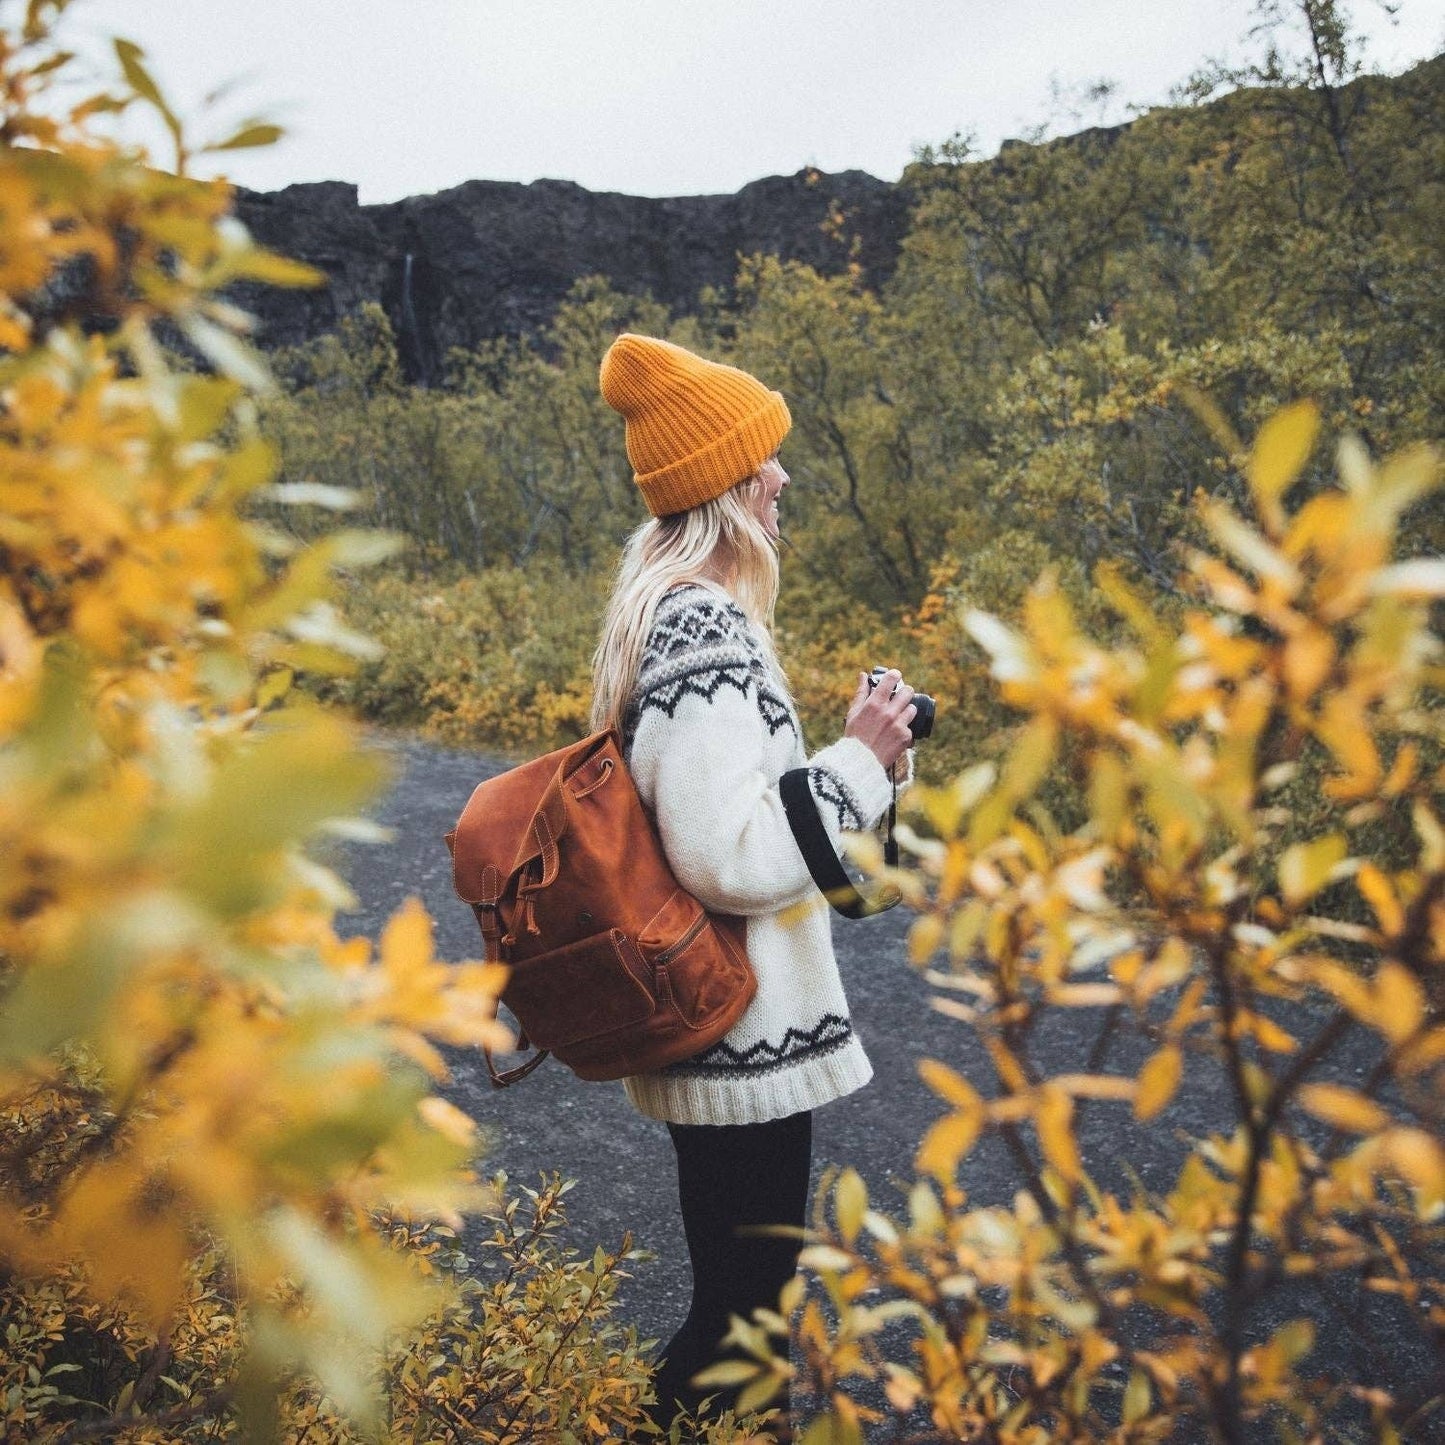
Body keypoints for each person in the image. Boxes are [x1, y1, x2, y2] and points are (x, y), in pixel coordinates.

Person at [591, 333, 917, 1432]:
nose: (781, 476)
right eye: (763, 460)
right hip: (736, 1032)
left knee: (743, 1317)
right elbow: (729, 855)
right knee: (741, 1327)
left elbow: (759, 830)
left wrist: (866, 759)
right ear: (723, 484)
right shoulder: (700, 627)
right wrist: (855, 760)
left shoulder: (688, 619)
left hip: (729, 1035)